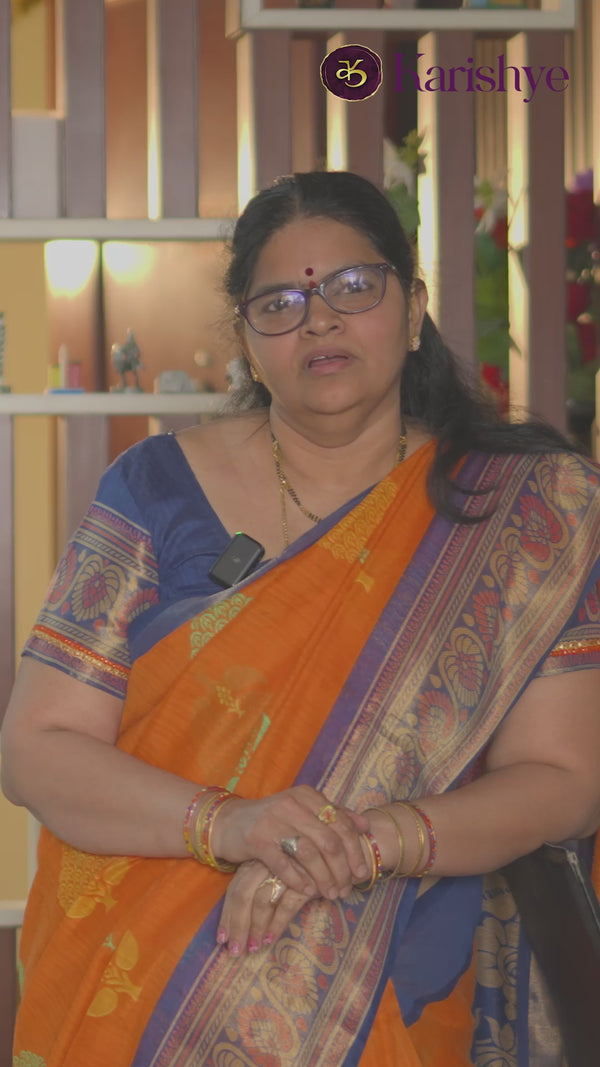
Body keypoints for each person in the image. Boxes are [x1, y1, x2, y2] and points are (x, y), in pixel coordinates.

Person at [2, 170, 600, 1067]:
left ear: (413, 309)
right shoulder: (154, 488)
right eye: (278, 303)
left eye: (353, 287)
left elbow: (562, 778)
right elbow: (37, 746)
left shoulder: (523, 511)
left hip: (394, 953)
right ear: (247, 340)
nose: (318, 320)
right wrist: (236, 824)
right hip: (142, 967)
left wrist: (359, 846)